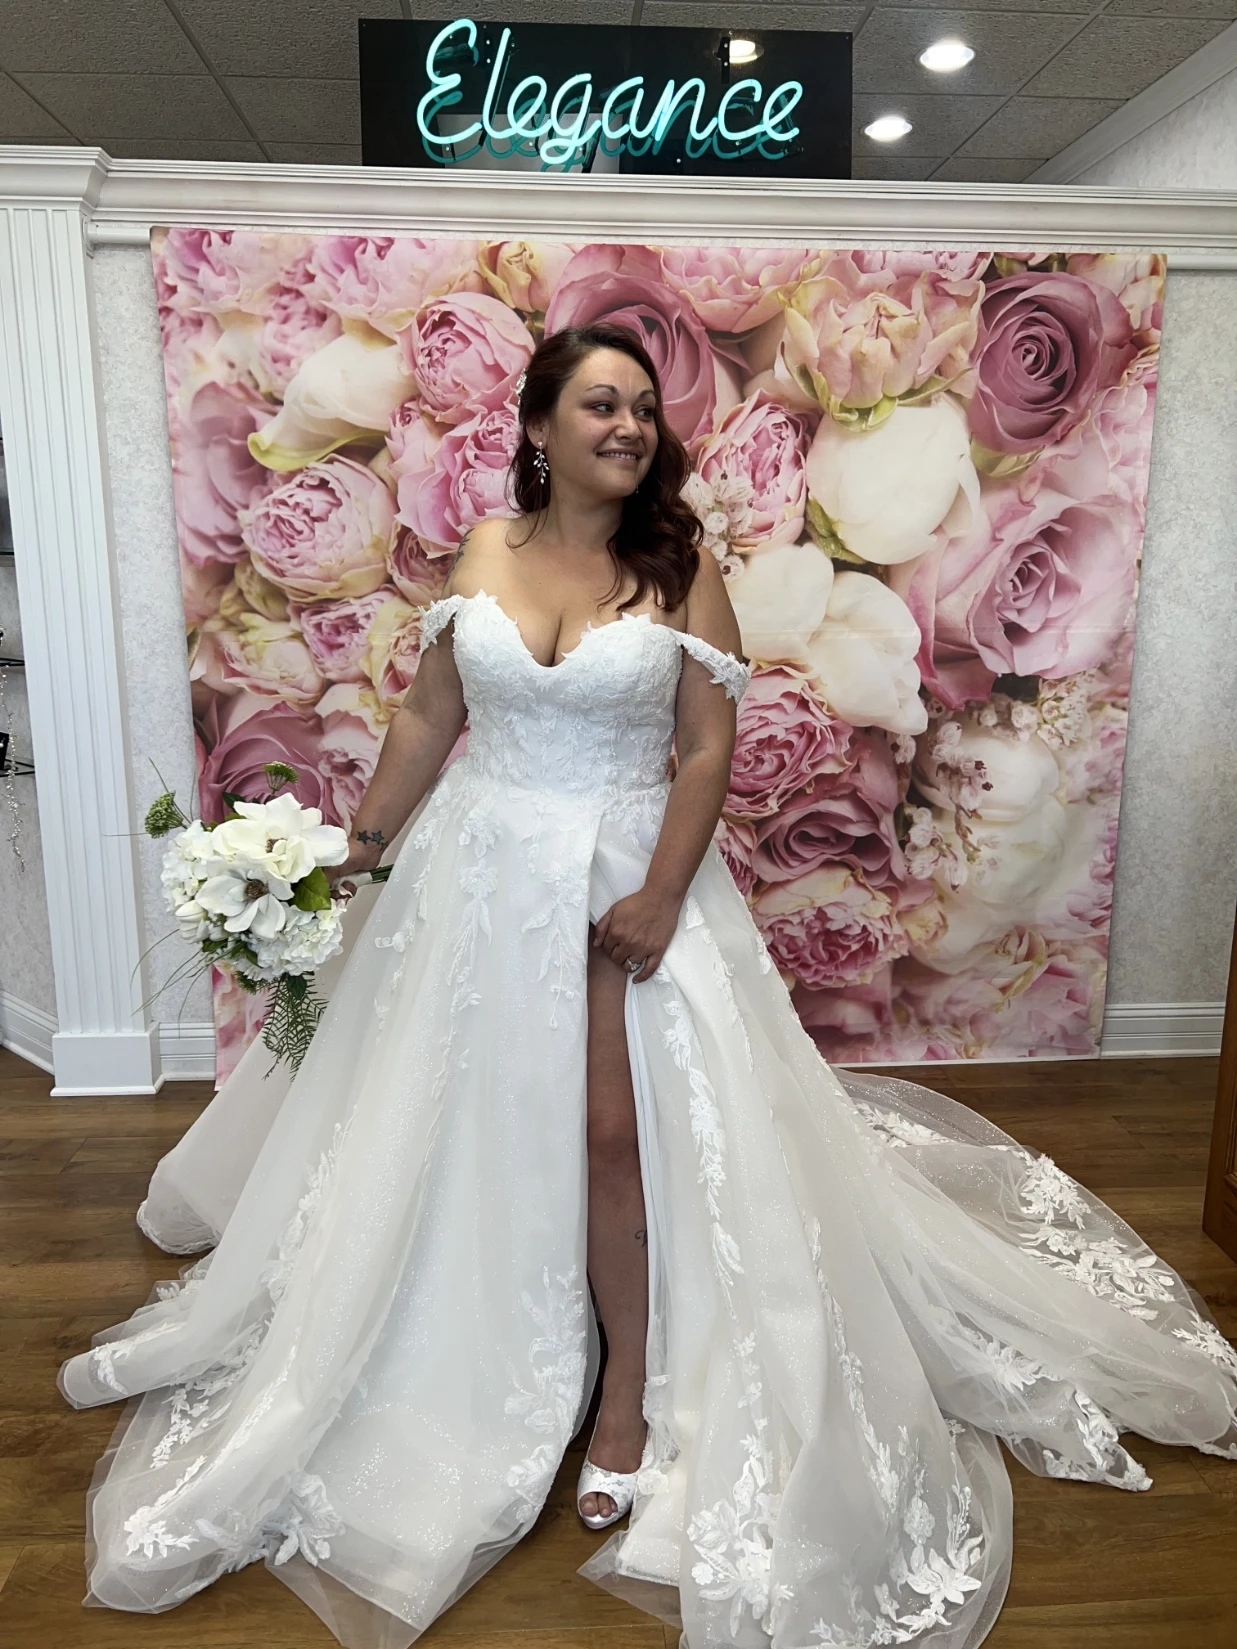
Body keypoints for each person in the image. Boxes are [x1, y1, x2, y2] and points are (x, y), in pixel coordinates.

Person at [60, 324, 1237, 1649]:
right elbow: (430, 717)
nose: (626, 425)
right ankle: (464, 1349)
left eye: (640, 407)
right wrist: (353, 853)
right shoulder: (489, 553)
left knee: (616, 1135)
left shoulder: (682, 567)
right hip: (482, 878)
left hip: (629, 877)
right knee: (457, 1118)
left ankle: (626, 1391)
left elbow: (704, 748)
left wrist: (665, 894)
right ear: (541, 427)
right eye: (599, 404)